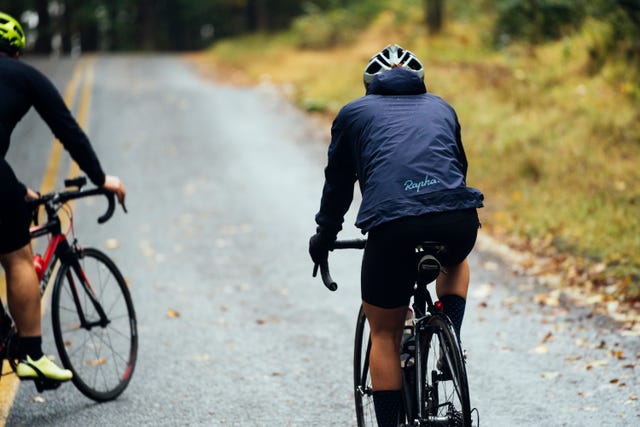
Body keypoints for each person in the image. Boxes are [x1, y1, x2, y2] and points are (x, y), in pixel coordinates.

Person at [309, 44, 483, 426]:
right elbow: (457, 166)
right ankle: (448, 336)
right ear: (420, 82)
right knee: (455, 260)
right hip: (456, 220)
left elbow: (338, 184)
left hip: (393, 228)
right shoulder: (442, 107)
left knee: (384, 335)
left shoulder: (353, 113)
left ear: (369, 85)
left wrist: (325, 234)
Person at [0, 11, 126, 385]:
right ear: (17, 51)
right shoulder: (25, 77)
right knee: (18, 258)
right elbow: (66, 129)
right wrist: (101, 178)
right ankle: (34, 356)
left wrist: (18, 189)